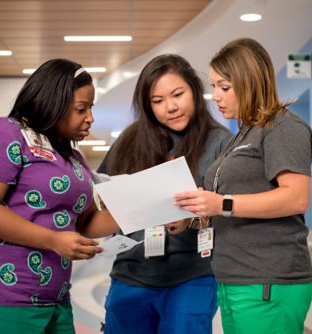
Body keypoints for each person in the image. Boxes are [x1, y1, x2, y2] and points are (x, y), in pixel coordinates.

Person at [0, 58, 119, 334]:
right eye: (81, 109)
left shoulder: (71, 156)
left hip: (53, 295)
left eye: (90, 108)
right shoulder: (3, 134)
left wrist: (139, 212)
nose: (90, 118)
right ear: (52, 103)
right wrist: (53, 240)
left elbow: (81, 222)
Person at [174, 37, 312, 334]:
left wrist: (221, 203)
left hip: (267, 278)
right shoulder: (244, 134)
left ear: (250, 82)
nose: (215, 96)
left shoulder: (283, 127)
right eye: (214, 86)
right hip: (234, 277)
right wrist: (193, 217)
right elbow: (240, 201)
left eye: (224, 87)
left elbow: (296, 198)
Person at [97, 54, 232, 334]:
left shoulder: (220, 142)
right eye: (157, 101)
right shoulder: (130, 140)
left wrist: (192, 218)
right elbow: (102, 194)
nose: (170, 107)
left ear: (194, 91)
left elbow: (233, 211)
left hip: (193, 275)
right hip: (131, 273)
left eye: (178, 94)